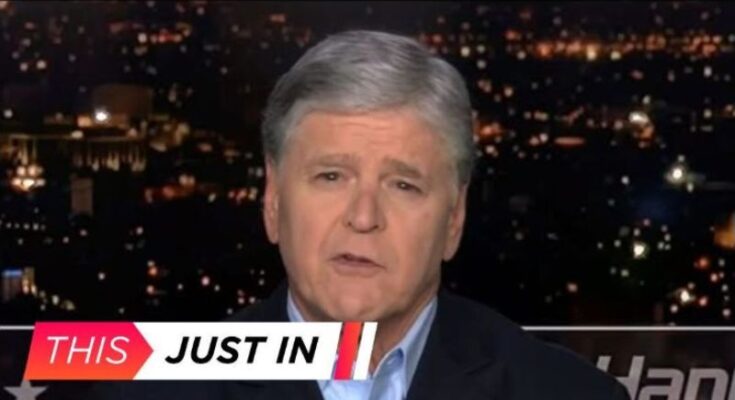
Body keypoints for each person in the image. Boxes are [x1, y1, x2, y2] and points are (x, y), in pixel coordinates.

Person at [89, 30, 630, 400]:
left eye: (404, 185)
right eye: (331, 177)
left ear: (454, 219)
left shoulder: (566, 392)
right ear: (273, 200)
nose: (364, 216)